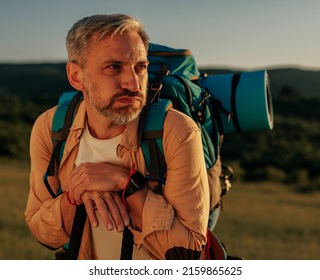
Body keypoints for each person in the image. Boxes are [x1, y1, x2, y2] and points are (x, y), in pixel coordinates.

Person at [24, 13, 210, 260]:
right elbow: (41, 231)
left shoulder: (176, 131)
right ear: (76, 75)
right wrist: (76, 195)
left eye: (140, 68)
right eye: (113, 67)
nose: (133, 84)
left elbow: (188, 253)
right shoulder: (51, 128)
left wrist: (127, 184)